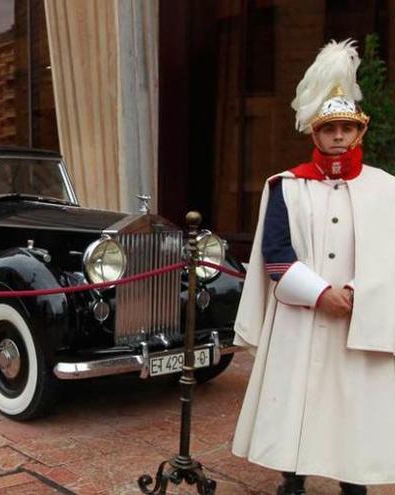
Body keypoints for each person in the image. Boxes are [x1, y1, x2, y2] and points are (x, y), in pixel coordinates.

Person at [231, 39, 395, 494]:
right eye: (329, 129)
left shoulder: (388, 190)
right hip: (301, 315)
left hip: (361, 316)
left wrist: (358, 293)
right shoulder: (286, 187)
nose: (338, 136)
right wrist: (321, 294)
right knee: (297, 400)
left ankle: (353, 479)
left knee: (352, 403)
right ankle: (293, 478)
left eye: (346, 127)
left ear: (359, 132)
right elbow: (276, 254)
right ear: (314, 134)